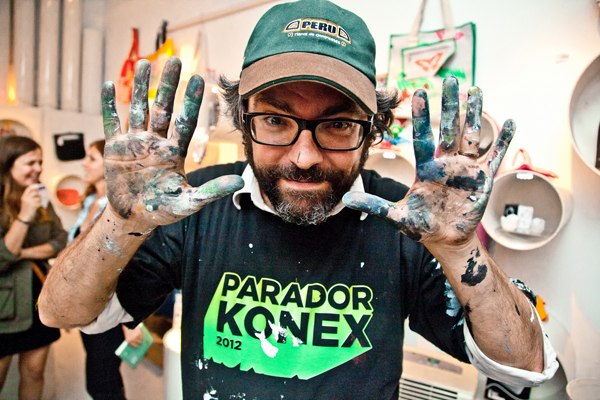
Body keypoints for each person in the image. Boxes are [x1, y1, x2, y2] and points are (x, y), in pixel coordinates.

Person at [40, 0, 558, 398]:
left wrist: (459, 249)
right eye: (275, 120)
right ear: (243, 119)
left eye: (337, 124)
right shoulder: (194, 205)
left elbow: (524, 364)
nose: (305, 156)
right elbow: (62, 312)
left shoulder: (408, 222)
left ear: (373, 129)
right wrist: (120, 221)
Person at [68, 139, 143, 400]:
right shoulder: (90, 200)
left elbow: (126, 263)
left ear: (110, 164)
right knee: (98, 379)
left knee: (103, 384)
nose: (84, 164)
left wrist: (129, 317)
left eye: (91, 158)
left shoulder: (118, 207)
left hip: (107, 306)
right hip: (86, 305)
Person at [0, 136, 67, 399]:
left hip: (39, 301)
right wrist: (25, 214)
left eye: (40, 162)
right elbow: (2, 257)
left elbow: (59, 240)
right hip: (5, 307)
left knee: (34, 372)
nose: (38, 168)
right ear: (8, 164)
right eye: (30, 163)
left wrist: (21, 253)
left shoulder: (41, 196)